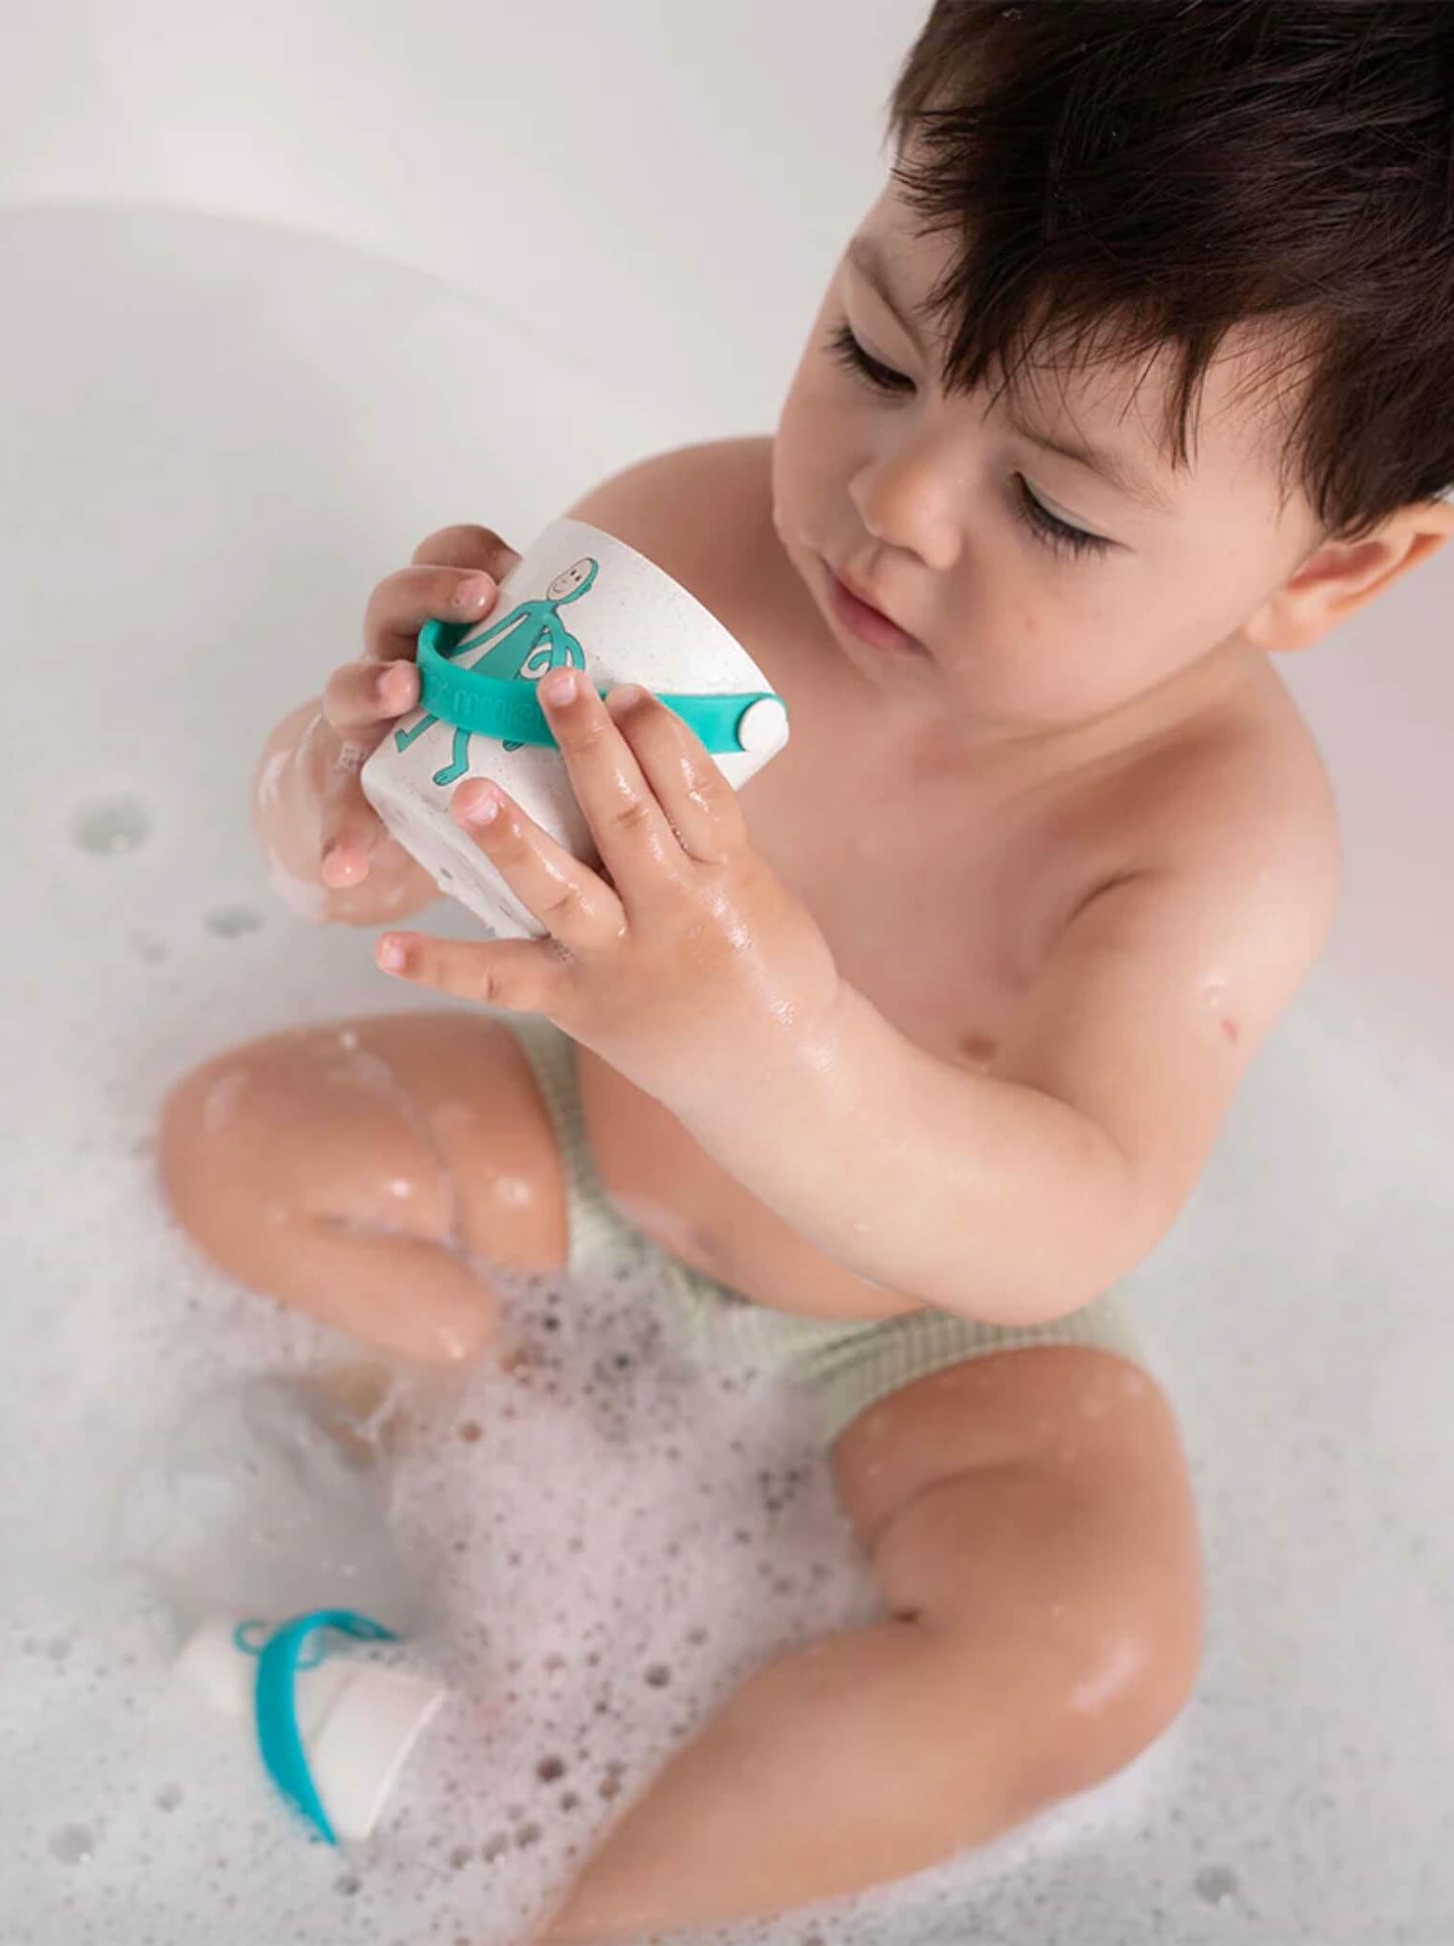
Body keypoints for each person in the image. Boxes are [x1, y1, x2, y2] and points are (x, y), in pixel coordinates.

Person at [162, 3, 1454, 1936]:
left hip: (929, 1330)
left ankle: (595, 1903)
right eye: (871, 352)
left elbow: (1066, 1216)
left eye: (1056, 506)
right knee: (244, 1140)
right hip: (589, 1146)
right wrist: (341, 771)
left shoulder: (1205, 836)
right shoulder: (690, 539)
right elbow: (356, 868)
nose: (892, 503)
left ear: (1321, 578)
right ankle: (497, 1500)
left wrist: (765, 1035)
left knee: (1088, 1653)